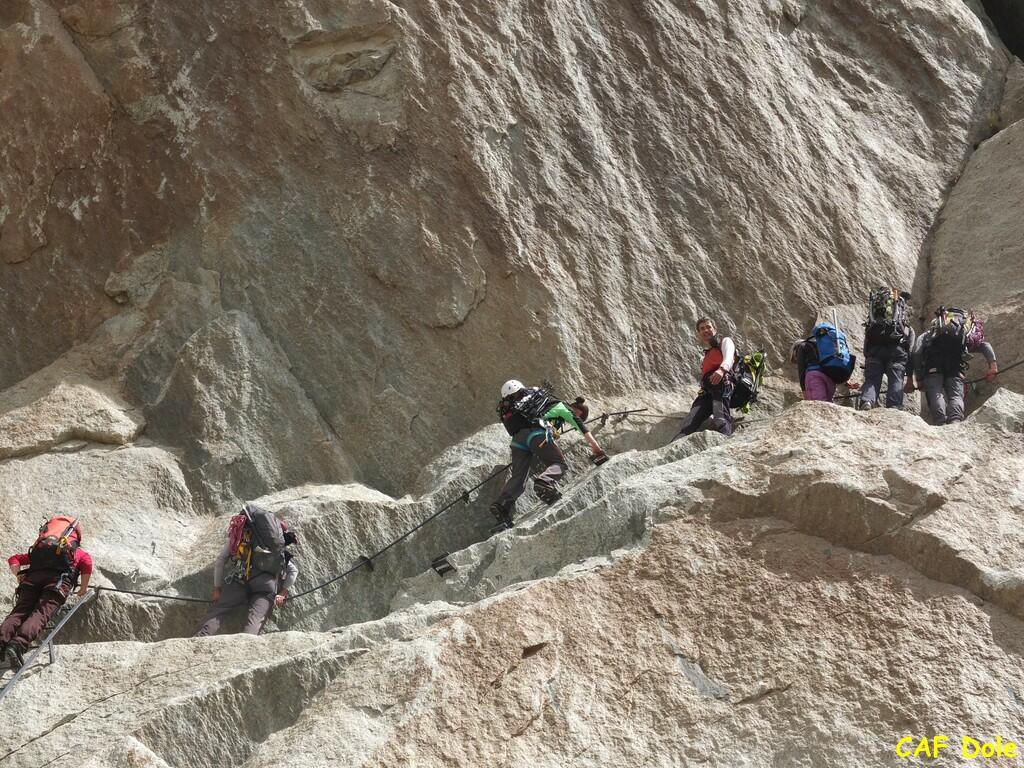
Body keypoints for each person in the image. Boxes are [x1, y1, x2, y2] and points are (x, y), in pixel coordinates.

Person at [489, 382, 608, 527]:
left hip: (517, 440)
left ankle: (501, 507)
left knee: (519, 477)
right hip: (535, 432)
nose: (575, 418)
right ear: (576, 409)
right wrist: (596, 449)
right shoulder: (562, 407)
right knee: (559, 463)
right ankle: (544, 483)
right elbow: (581, 426)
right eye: (579, 415)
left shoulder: (537, 406)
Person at [2, 516, 92, 671]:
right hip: (57, 584)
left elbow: (14, 559)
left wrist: (18, 575)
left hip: (31, 582)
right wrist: (83, 588)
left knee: (19, 612)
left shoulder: (41, 551)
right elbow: (87, 565)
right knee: (40, 614)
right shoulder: (79, 554)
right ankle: (18, 644)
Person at [194, 505, 299, 637]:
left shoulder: (241, 537)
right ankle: (246, 645)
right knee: (254, 621)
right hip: (266, 587)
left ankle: (200, 638)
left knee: (219, 610)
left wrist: (217, 588)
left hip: (241, 579)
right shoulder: (276, 544)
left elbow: (221, 560)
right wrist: (283, 593)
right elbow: (293, 570)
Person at [907, 306, 997, 425]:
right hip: (956, 366)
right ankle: (955, 420)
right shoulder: (962, 335)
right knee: (956, 395)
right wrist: (993, 367)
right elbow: (985, 345)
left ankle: (940, 421)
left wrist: (919, 378)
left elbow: (916, 352)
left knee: (935, 391)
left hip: (933, 365)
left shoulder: (930, 333)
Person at [671, 317, 736, 439]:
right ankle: (675, 444)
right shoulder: (707, 354)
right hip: (707, 392)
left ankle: (725, 442)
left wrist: (721, 370)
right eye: (702, 329)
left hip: (722, 385)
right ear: (699, 333)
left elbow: (729, 357)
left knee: (720, 418)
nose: (706, 330)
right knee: (689, 422)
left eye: (708, 327)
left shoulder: (725, 341)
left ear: (715, 329)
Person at [859, 289, 915, 410]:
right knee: (896, 380)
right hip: (897, 353)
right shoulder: (905, 327)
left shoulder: (874, 322)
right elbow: (910, 350)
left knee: (872, 379)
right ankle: (894, 406)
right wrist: (910, 375)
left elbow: (866, 342)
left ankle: (867, 401)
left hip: (874, 352)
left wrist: (868, 358)